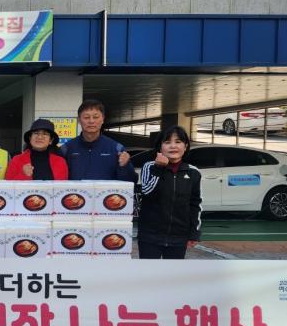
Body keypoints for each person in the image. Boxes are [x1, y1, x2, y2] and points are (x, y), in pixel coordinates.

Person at [138, 125, 202, 259]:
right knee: (148, 271)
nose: (173, 146)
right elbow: (147, 193)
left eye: (178, 142)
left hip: (178, 238)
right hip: (150, 236)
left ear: (185, 146)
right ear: (160, 147)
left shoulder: (193, 172)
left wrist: (194, 233)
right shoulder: (149, 167)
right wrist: (159, 168)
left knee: (174, 272)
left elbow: (195, 204)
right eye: (167, 142)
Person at [59, 100, 136, 182]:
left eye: (95, 117)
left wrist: (125, 166)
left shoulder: (117, 149)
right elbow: (58, 181)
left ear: (103, 119)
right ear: (79, 120)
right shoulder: (66, 149)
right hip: (75, 191)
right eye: (86, 117)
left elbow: (131, 182)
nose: (91, 121)